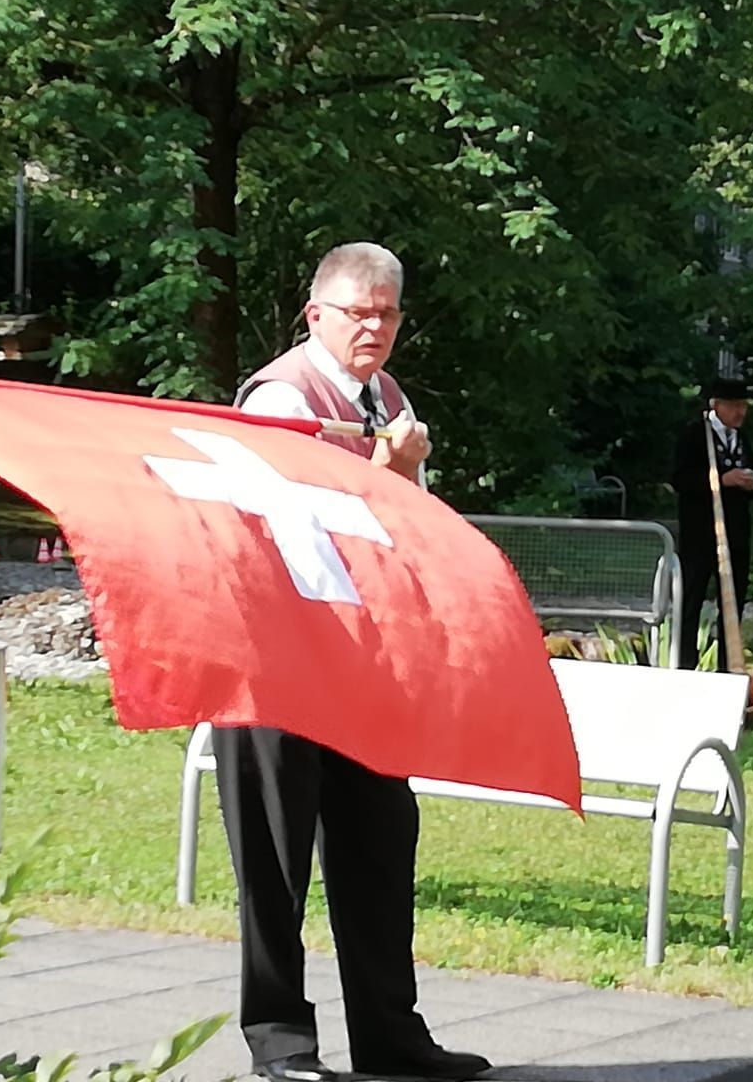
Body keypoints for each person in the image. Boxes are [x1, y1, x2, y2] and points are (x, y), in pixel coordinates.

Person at [223, 243, 490, 1082]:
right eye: (356, 313)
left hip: (360, 664)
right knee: (274, 861)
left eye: (386, 314)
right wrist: (386, 477)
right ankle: (280, 1043)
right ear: (316, 315)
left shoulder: (389, 400)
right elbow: (287, 536)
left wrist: (402, 478)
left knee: (379, 845)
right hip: (275, 663)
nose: (372, 328)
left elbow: (404, 534)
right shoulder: (280, 397)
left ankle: (390, 1036)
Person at [671, 377, 753, 669]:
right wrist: (721, 481)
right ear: (717, 405)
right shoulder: (695, 434)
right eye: (734, 406)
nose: (740, 412)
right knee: (692, 599)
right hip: (700, 533)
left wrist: (752, 482)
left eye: (744, 406)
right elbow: (680, 479)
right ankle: (685, 665)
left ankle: (728, 665)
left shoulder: (741, 438)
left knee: (732, 603)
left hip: (735, 533)